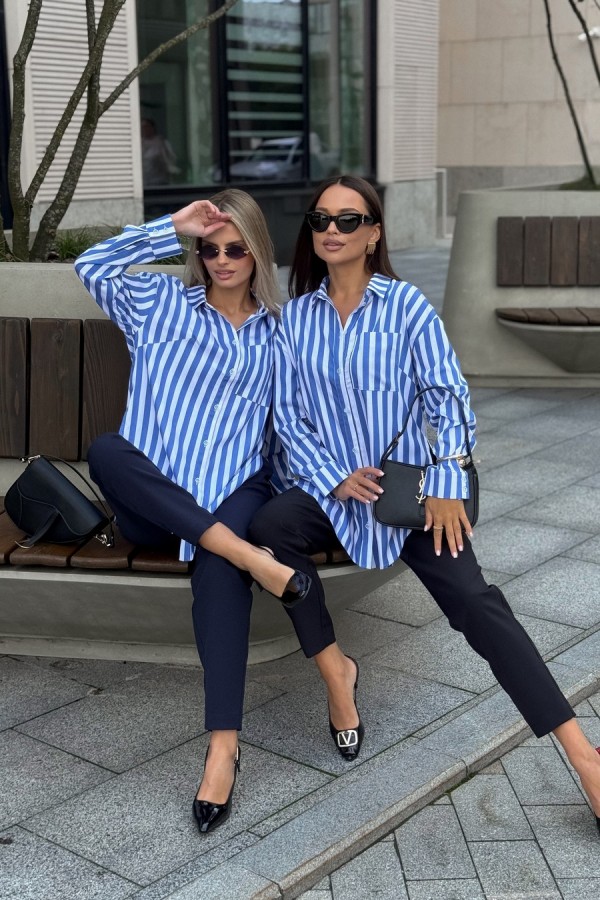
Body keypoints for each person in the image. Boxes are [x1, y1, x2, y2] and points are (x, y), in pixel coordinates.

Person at [249, 174, 600, 831]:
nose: (332, 230)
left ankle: (585, 756)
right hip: (335, 494)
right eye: (321, 219)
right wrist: (332, 476)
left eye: (348, 220)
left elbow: (449, 397)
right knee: (269, 528)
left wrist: (445, 480)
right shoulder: (295, 319)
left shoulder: (406, 307)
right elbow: (288, 417)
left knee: (476, 603)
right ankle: (336, 672)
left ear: (373, 233)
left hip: (410, 494)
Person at [74, 190, 310, 836]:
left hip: (237, 486)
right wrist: (172, 227)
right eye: (209, 249)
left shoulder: (279, 332)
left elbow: (291, 425)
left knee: (219, 558)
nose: (222, 259)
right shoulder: (157, 303)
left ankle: (223, 748)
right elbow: (91, 265)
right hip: (154, 501)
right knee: (107, 450)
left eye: (236, 248)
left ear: (257, 251)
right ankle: (244, 555)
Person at [141, 117, 180, 186]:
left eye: (146, 126)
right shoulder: (139, 143)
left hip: (159, 181)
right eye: (142, 127)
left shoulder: (161, 142)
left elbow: (172, 158)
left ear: (152, 128)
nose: (144, 129)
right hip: (144, 182)